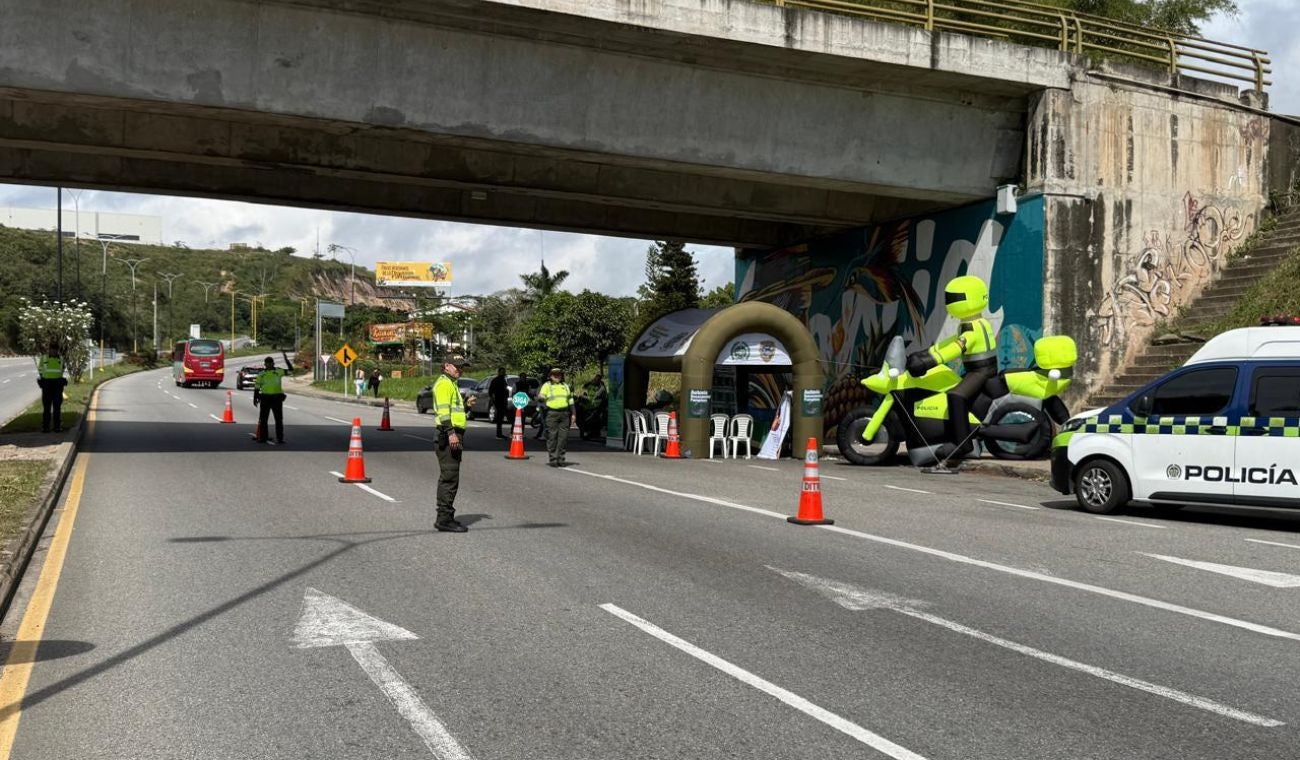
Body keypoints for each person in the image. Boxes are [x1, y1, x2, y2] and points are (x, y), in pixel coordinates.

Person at [905, 275, 998, 454]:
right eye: (950, 299)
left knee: (956, 396)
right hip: (977, 370)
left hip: (982, 371)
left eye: (955, 298)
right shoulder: (971, 323)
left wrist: (930, 361)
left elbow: (957, 347)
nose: (951, 303)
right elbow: (948, 342)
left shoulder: (973, 326)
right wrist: (925, 353)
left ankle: (963, 444)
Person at [431, 355, 470, 532]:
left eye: (462, 367)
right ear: (446, 366)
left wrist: (467, 406)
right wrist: (451, 433)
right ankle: (444, 519)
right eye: (457, 367)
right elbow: (444, 413)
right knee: (449, 477)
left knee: (451, 477)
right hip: (448, 436)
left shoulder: (451, 383)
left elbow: (454, 412)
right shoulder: (444, 384)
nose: (460, 370)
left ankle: (446, 516)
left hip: (452, 434)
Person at [538, 367, 576, 467]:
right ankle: (553, 459)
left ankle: (561, 459)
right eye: (554, 374)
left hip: (564, 414)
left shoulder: (566, 386)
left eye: (559, 374)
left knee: (563, 438)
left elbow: (571, 401)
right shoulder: (547, 385)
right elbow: (541, 398)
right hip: (552, 414)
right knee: (552, 437)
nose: (557, 376)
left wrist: (573, 413)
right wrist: (545, 405)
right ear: (550, 376)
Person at [252, 356, 289, 444]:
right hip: (265, 398)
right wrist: (255, 398)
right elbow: (257, 387)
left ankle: (280, 438)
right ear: (265, 364)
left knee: (279, 419)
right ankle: (263, 438)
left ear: (273, 364)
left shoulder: (278, 372)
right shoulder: (261, 374)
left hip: (276, 398)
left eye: (270, 363)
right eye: (267, 363)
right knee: (263, 419)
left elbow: (291, 370)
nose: (268, 365)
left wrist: (286, 359)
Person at [36, 344, 68, 434]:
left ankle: (57, 427)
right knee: (46, 407)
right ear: (49, 350)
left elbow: (62, 369)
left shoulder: (61, 359)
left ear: (57, 350)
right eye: (52, 349)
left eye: (55, 350)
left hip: (57, 385)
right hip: (47, 384)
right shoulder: (44, 358)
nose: (53, 351)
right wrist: (43, 379)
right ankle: (46, 427)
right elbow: (40, 370)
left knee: (57, 407)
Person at [488, 367, 510, 439]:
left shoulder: (504, 380)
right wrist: (493, 399)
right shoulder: (496, 380)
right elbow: (491, 391)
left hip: (504, 400)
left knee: (501, 417)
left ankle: (500, 433)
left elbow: (505, 390)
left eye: (504, 371)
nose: (503, 373)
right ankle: (498, 433)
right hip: (498, 400)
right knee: (499, 417)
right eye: (502, 372)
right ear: (499, 372)